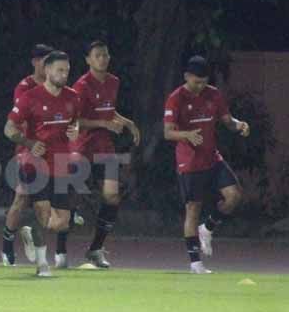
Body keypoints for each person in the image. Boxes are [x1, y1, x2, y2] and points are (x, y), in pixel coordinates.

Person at [162, 56, 250, 274]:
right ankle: (195, 263)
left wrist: (240, 125)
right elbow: (167, 132)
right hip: (189, 162)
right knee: (193, 209)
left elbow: (228, 121)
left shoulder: (214, 95)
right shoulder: (176, 98)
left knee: (234, 196)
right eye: (196, 82)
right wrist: (187, 135)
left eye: (204, 82)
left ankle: (208, 228)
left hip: (212, 158)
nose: (200, 86)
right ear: (186, 77)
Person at [4, 50, 81, 277]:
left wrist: (75, 130)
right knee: (43, 214)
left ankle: (28, 233)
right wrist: (28, 142)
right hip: (35, 164)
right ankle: (42, 265)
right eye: (60, 70)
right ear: (47, 70)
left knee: (61, 223)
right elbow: (9, 128)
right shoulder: (30, 97)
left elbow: (74, 124)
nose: (64, 74)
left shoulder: (72, 97)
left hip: (61, 164)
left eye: (67, 70)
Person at [72, 40, 141, 268]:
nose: (103, 58)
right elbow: (77, 121)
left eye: (106, 54)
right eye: (98, 55)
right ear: (88, 60)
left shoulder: (114, 82)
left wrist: (128, 123)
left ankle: (96, 249)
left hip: (106, 148)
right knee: (76, 195)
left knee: (112, 197)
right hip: (84, 147)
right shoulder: (81, 85)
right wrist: (104, 123)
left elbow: (109, 112)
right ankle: (61, 244)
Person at [1, 43, 55, 266]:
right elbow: (19, 122)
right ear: (35, 62)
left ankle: (40, 241)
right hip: (28, 151)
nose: (49, 66)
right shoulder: (25, 87)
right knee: (22, 198)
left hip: (53, 153)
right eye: (45, 61)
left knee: (52, 204)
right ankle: (6, 248)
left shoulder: (57, 88)